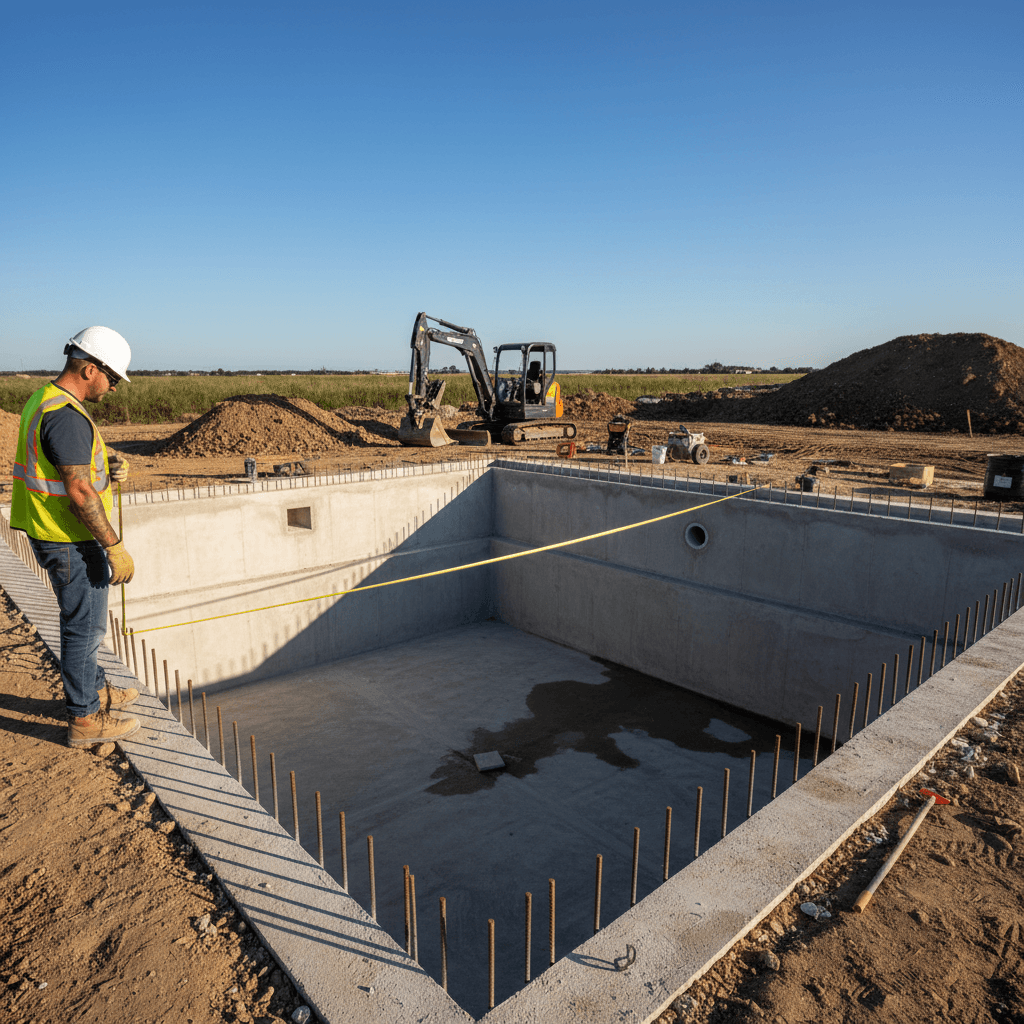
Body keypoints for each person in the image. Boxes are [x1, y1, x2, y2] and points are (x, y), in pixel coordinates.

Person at [11, 326, 141, 747]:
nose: (115, 388)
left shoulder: (46, 399)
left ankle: (96, 687)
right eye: (114, 378)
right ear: (90, 369)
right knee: (84, 627)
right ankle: (84, 719)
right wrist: (115, 546)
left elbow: (74, 468)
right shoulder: (67, 416)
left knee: (85, 623)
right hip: (68, 537)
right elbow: (80, 490)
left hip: (53, 530)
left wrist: (111, 463)